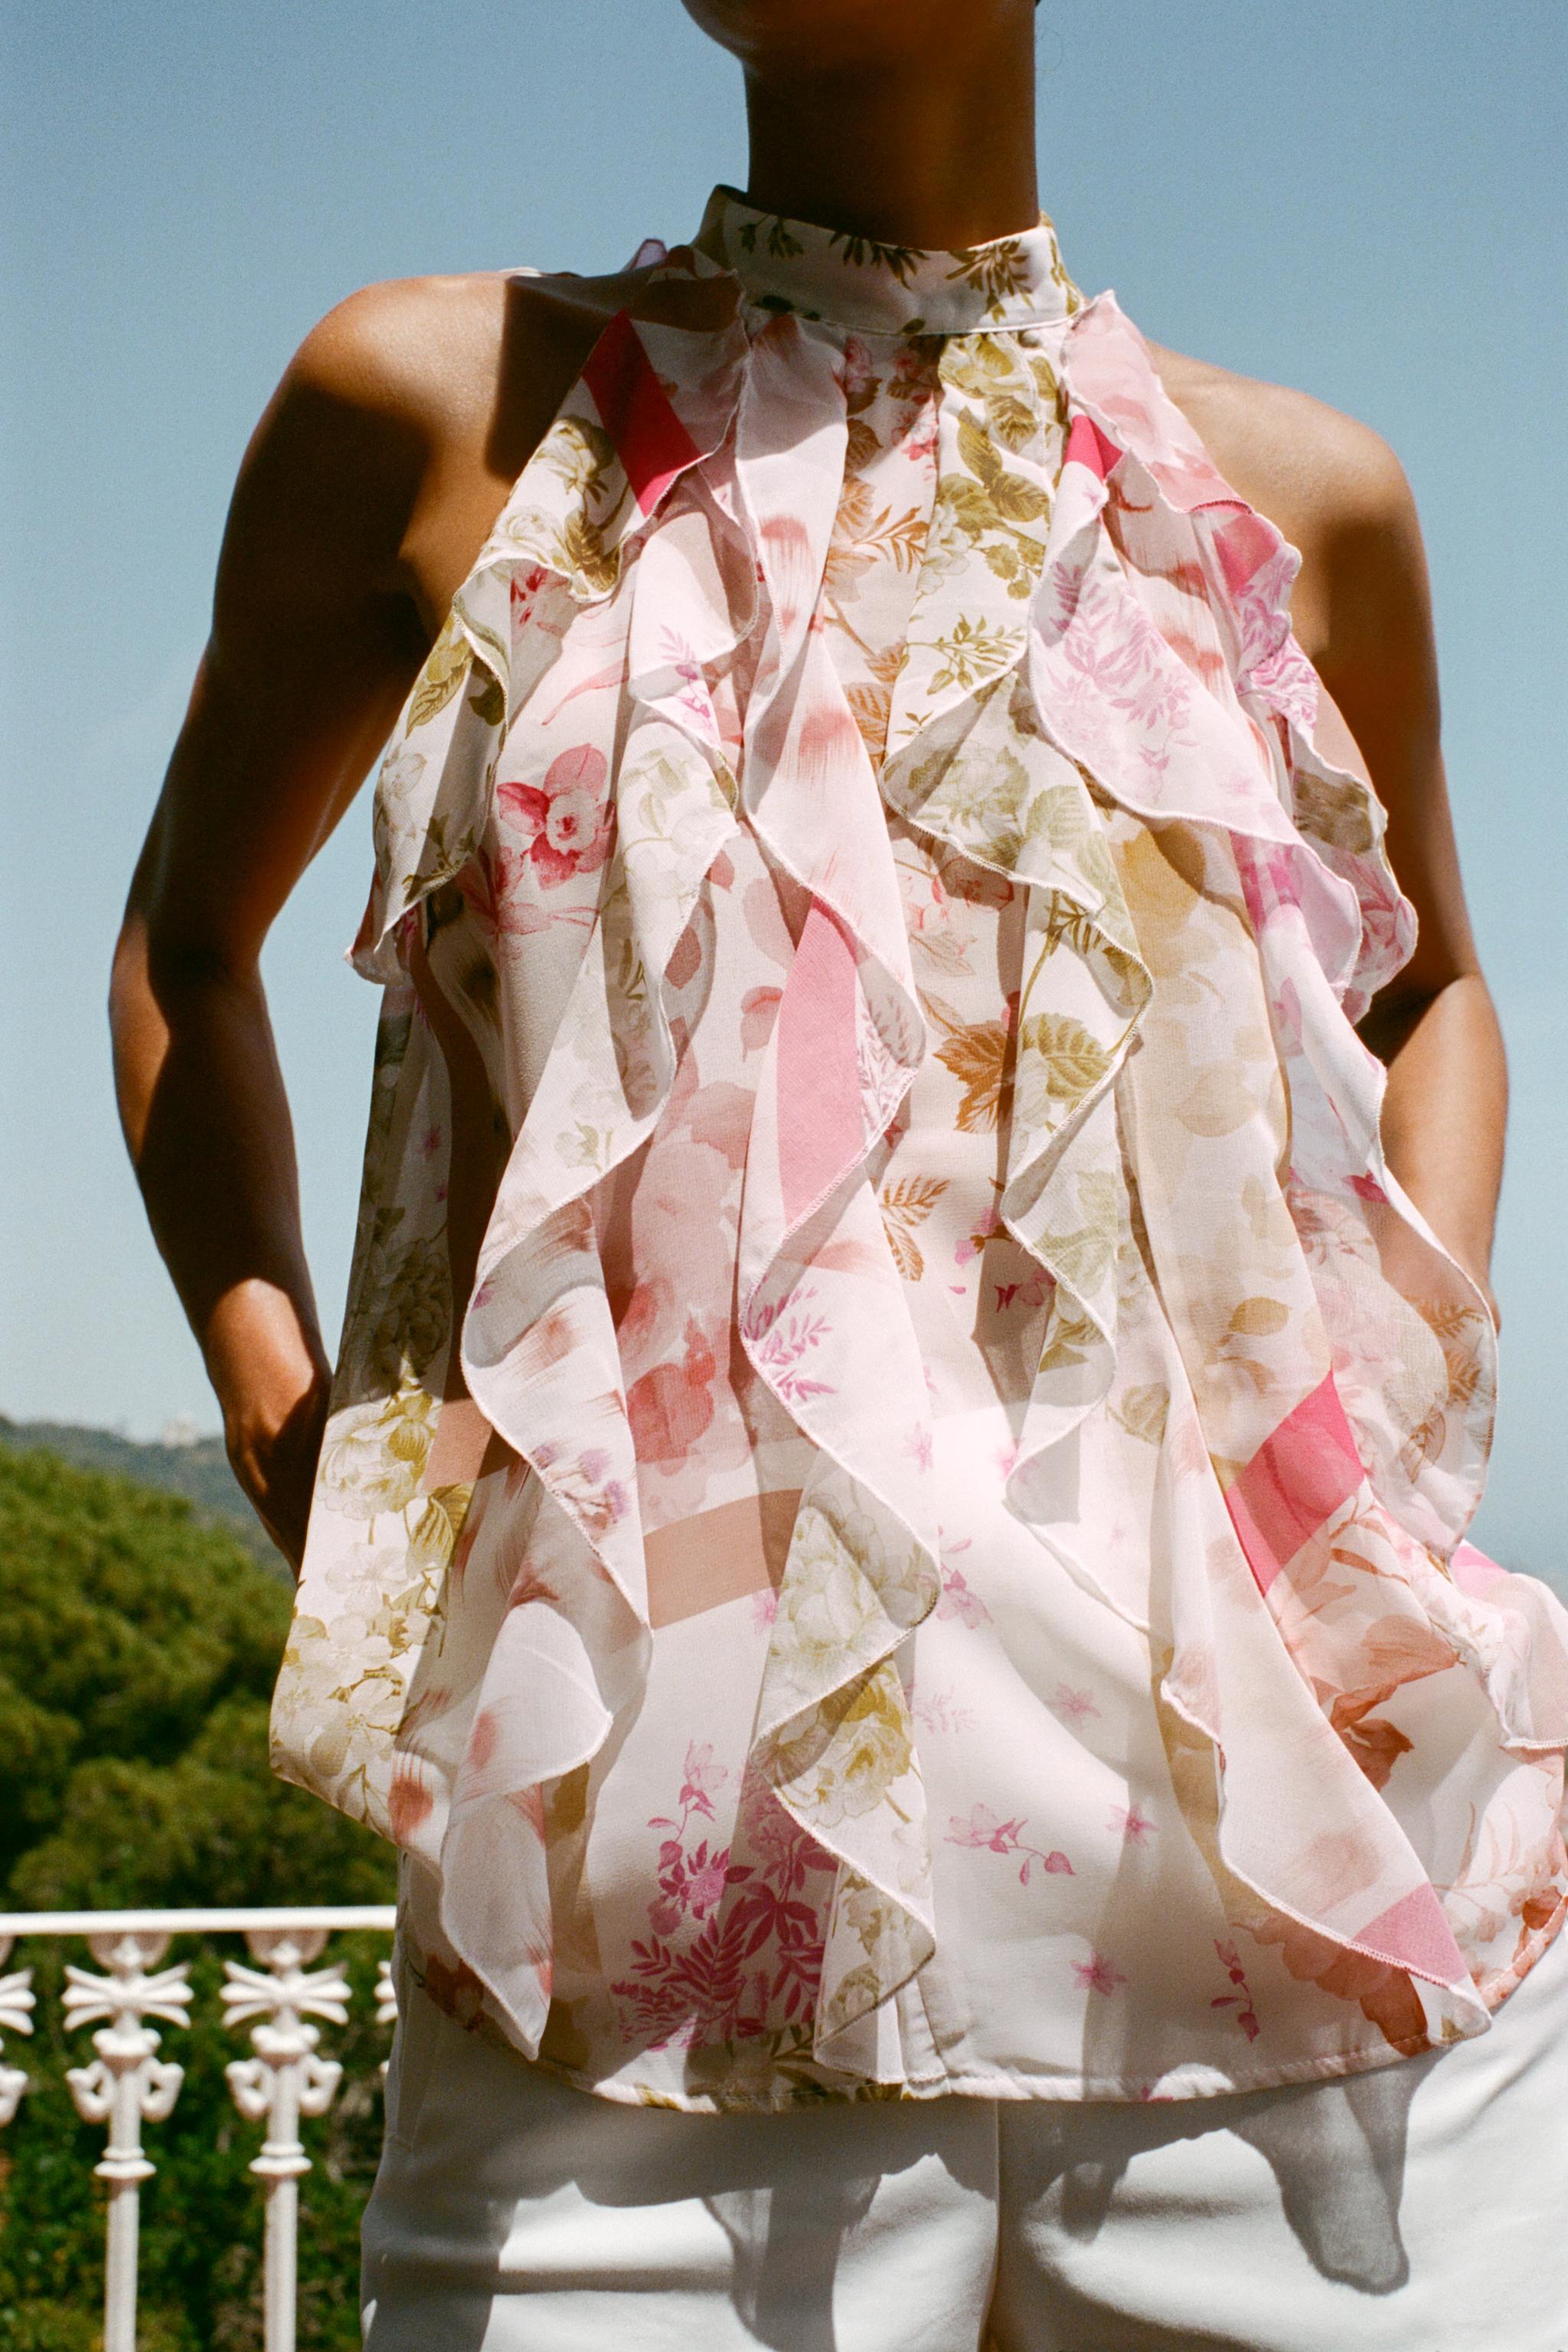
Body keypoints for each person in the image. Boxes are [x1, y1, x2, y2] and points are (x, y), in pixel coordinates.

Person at [109, 3, 1568, 2345]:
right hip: (638, 1950)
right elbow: (188, 933)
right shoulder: (432, 407)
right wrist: (286, 1390)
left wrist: (1382, 1423)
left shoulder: (1299, 489)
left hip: (1305, 1943)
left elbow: (1439, 993)